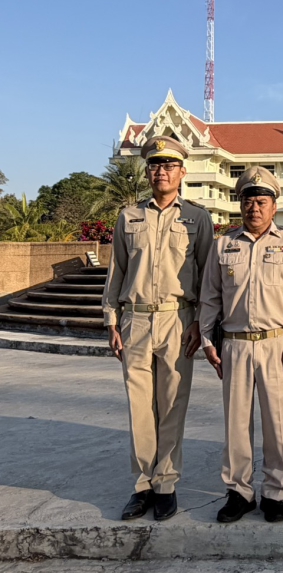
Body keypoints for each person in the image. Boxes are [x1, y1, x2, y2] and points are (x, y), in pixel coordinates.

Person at [102, 135, 214, 521]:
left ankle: (166, 483)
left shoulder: (197, 218)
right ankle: (142, 485)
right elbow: (116, 271)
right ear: (147, 172)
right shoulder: (129, 217)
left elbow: (207, 277)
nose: (161, 171)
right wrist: (111, 319)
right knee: (139, 408)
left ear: (182, 172)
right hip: (134, 319)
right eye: (154, 165)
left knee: (171, 404)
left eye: (169, 165)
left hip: (177, 319)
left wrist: (200, 322)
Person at [192, 167, 283, 524]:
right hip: (235, 344)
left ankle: (275, 492)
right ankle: (239, 492)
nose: (254, 208)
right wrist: (207, 340)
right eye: (248, 201)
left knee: (276, 424)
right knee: (236, 424)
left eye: (261, 202)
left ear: (274, 206)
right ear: (240, 204)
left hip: (275, 344)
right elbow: (210, 296)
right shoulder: (223, 245)